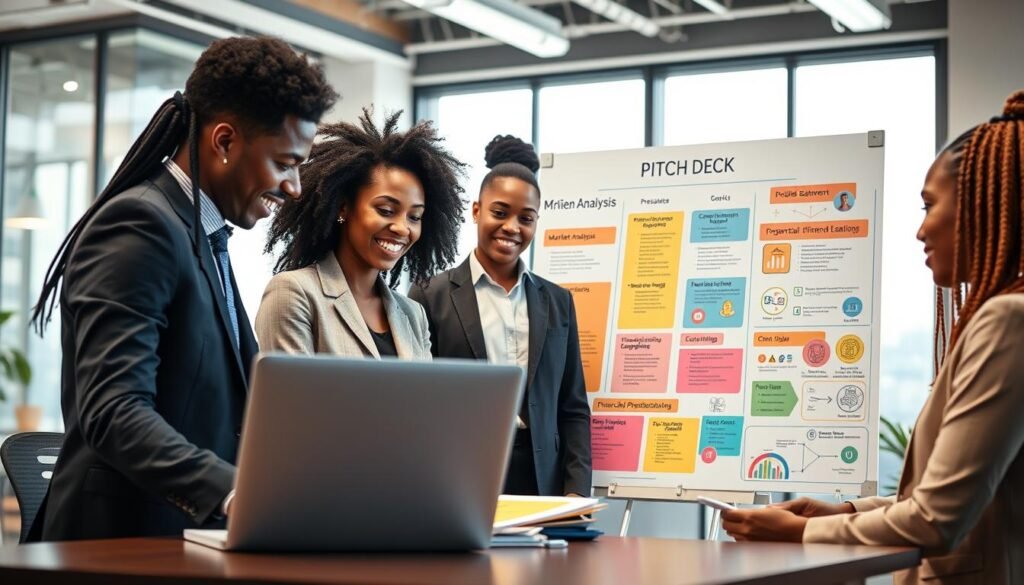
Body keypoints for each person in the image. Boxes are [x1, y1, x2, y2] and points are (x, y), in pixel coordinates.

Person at [30, 37, 337, 541]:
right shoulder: (140, 226)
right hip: (118, 546)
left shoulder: (200, 232)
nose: (294, 186)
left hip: (185, 540)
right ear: (224, 142)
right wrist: (232, 492)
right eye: (285, 163)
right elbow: (114, 411)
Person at [722, 90, 1024, 585]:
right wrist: (842, 511)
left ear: (983, 206)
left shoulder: (1008, 320)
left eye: (929, 206)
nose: (920, 231)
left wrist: (801, 533)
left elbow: (936, 519)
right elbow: (952, 497)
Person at [409, 135, 592, 497]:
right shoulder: (429, 294)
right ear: (477, 211)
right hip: (460, 474)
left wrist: (576, 491)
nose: (512, 227)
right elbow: (418, 406)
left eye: (526, 218)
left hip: (543, 479)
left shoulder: (558, 302)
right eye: (500, 212)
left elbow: (573, 408)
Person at [255, 109, 464, 359]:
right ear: (343, 208)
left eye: (415, 217)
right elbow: (292, 386)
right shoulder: (294, 293)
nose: (402, 228)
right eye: (386, 210)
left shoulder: (413, 315)